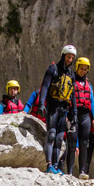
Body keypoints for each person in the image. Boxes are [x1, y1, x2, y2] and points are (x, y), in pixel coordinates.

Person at [38, 44, 77, 174]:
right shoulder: (53, 69)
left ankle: (55, 166)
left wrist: (75, 112)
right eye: (68, 56)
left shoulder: (71, 74)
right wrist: (41, 104)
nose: (70, 59)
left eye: (72, 57)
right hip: (53, 106)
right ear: (63, 55)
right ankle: (49, 164)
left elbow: (72, 94)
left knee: (60, 139)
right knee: (51, 135)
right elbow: (45, 87)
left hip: (63, 108)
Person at [65, 57, 94, 179]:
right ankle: (70, 171)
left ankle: (83, 171)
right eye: (81, 69)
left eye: (85, 69)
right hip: (73, 115)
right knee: (72, 143)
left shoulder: (88, 85)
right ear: (77, 68)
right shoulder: (71, 80)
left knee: (84, 144)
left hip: (85, 116)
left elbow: (92, 101)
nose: (83, 71)